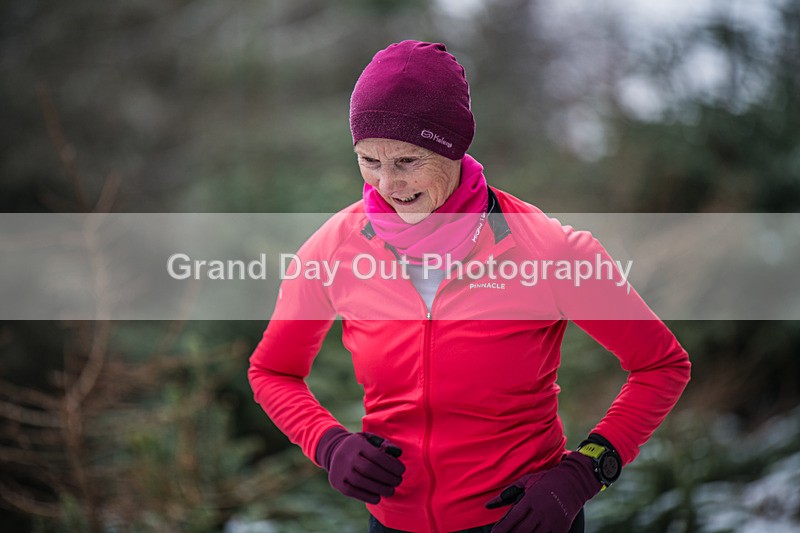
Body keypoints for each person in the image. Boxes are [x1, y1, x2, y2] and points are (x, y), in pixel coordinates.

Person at [248, 40, 691, 533]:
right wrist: (327, 443)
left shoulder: (549, 250)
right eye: (369, 160)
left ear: (452, 145)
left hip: (522, 522)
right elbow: (273, 372)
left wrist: (583, 474)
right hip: (395, 525)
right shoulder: (335, 248)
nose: (386, 185)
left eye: (408, 161)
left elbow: (661, 365)